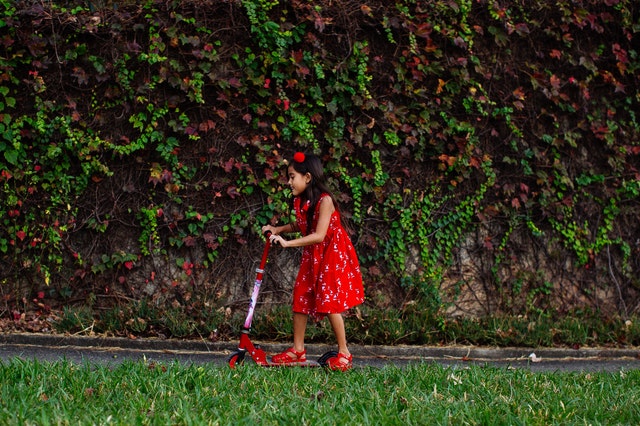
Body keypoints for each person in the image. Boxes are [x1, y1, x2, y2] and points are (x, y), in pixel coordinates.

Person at [261, 151, 365, 371]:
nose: (288, 182)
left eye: (292, 177)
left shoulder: (325, 200)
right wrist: (277, 229)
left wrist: (288, 243)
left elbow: (318, 234)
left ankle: (344, 352)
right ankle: (297, 350)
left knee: (329, 300)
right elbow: (302, 224)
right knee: (301, 293)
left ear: (307, 177)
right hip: (314, 253)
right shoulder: (302, 201)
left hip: (331, 253)